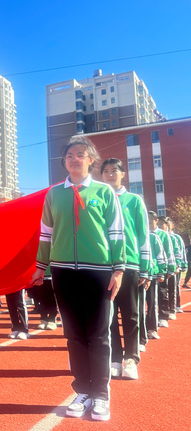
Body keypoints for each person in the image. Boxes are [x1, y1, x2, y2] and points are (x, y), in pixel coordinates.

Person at [32, 136, 125, 422]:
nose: (75, 158)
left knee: (98, 334)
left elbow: (116, 232)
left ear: (90, 160)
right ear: (64, 161)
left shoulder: (104, 192)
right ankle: (82, 390)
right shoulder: (53, 195)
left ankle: (101, 395)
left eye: (81, 155)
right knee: (73, 335)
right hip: (62, 272)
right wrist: (40, 266)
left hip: (98, 272)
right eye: (70, 155)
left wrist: (119, 268)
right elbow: (46, 234)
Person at [101, 158, 150, 380]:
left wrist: (146, 266)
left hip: (129, 265)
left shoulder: (134, 200)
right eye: (106, 172)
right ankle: (114, 358)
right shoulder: (99, 199)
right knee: (108, 315)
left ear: (123, 174)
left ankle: (131, 359)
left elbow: (143, 234)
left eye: (114, 171)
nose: (110, 175)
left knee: (130, 314)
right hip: (103, 265)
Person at [146, 211, 167, 340]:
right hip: (137, 274)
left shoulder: (155, 237)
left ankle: (152, 328)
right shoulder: (135, 234)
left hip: (152, 274)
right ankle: (141, 331)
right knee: (138, 306)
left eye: (149, 221)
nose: (147, 223)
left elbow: (161, 254)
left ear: (156, 221)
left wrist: (162, 271)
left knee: (152, 302)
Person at [155, 216, 176, 328]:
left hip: (162, 267)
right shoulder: (146, 233)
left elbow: (169, 251)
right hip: (151, 268)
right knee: (152, 296)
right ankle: (153, 317)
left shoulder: (164, 235)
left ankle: (164, 316)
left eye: (164, 223)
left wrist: (171, 267)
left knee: (163, 292)